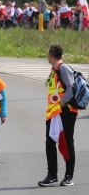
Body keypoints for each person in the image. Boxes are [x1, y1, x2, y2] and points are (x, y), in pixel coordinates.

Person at [39, 45, 78, 187]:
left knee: (67, 142)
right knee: (50, 143)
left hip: (65, 111)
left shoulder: (63, 68)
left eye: (48, 54)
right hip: (53, 112)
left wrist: (61, 103)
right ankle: (52, 175)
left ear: (51, 55)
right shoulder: (54, 70)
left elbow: (71, 88)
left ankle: (69, 176)